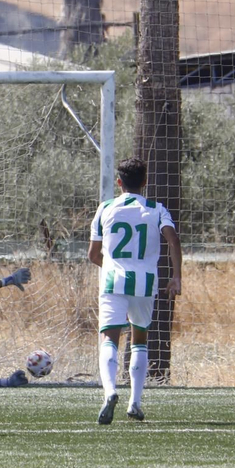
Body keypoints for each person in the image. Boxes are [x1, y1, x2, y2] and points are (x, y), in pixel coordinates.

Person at [88, 157, 182, 424]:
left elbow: (93, 254)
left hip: (112, 281)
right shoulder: (156, 209)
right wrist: (176, 277)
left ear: (119, 182)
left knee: (109, 339)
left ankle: (109, 392)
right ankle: (135, 403)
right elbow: (173, 240)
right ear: (145, 182)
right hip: (144, 282)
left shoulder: (105, 208)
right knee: (139, 339)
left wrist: (111, 267)